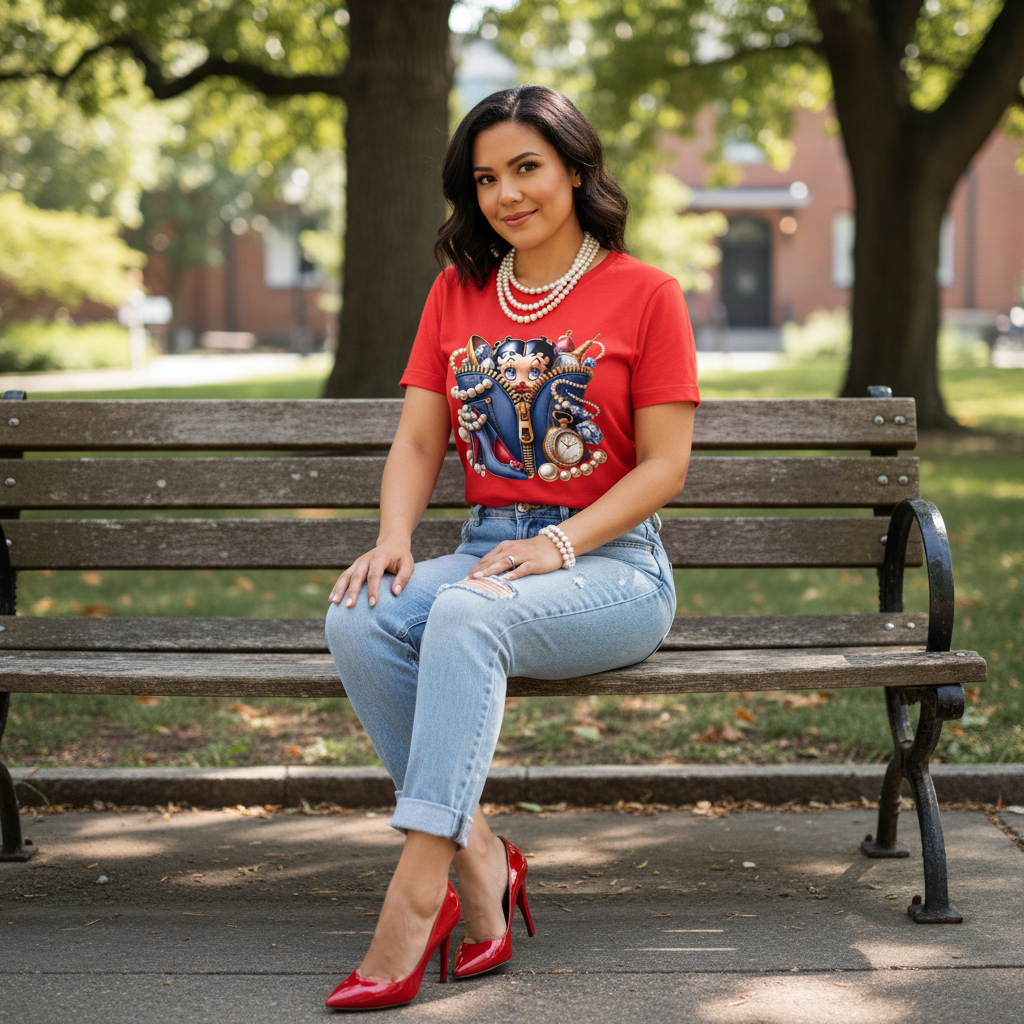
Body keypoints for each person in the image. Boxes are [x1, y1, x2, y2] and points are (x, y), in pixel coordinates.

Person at [323, 84, 699, 1011]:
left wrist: (561, 544)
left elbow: (663, 469)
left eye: (527, 167)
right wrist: (394, 540)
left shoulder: (646, 293)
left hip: (611, 567)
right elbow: (420, 440)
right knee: (361, 617)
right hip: (488, 547)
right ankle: (480, 853)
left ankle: (419, 896)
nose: (506, 193)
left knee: (465, 613)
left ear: (576, 170)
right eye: (486, 177)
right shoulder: (457, 293)